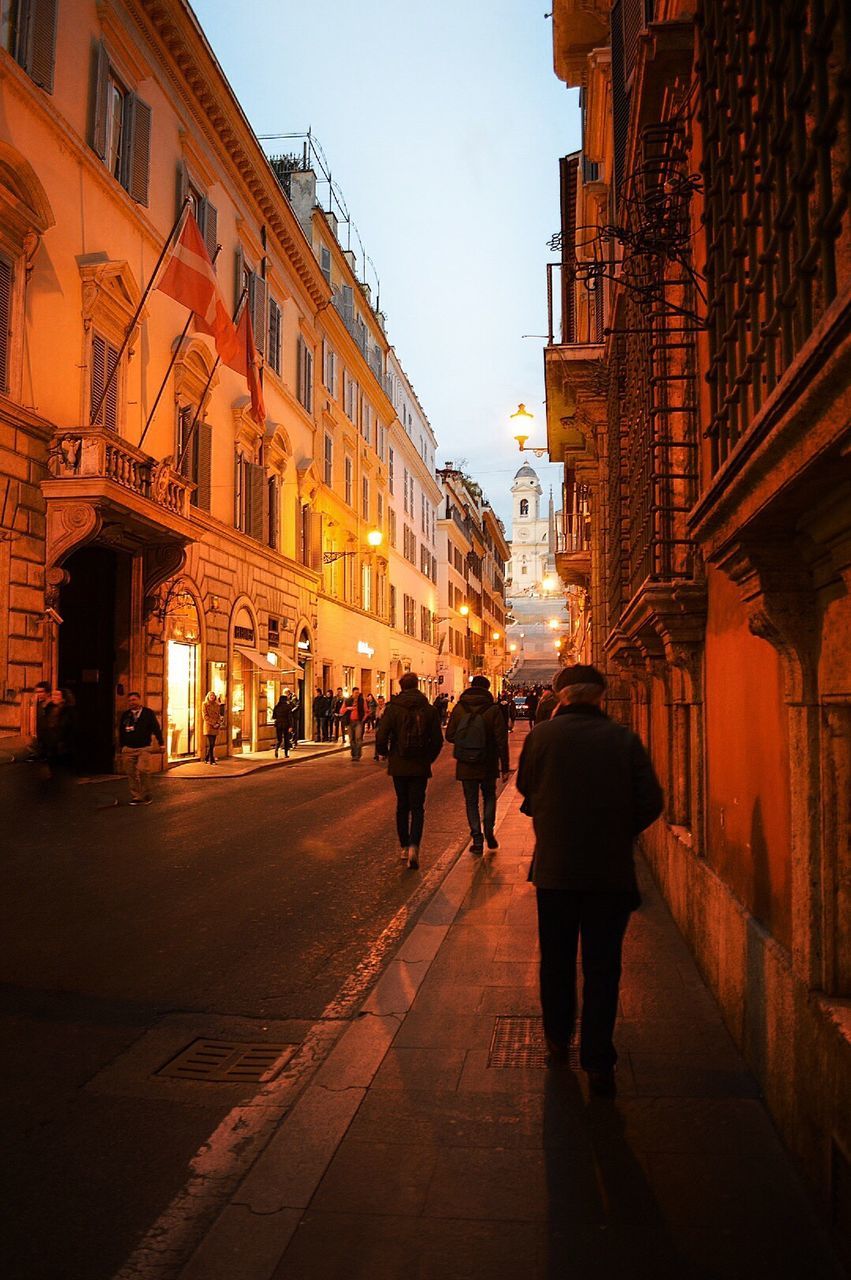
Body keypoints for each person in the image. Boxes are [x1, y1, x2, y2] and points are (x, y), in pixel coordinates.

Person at [516, 664, 664, 1096]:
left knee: (557, 961)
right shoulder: (622, 739)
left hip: (556, 871)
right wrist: (620, 831)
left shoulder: (541, 737)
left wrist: (552, 816)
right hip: (609, 873)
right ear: (600, 696)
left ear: (562, 697)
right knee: (603, 967)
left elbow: (527, 786)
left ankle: (557, 1040)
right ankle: (599, 1060)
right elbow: (650, 801)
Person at [375, 672, 443, 869]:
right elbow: (438, 740)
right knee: (417, 807)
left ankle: (404, 846)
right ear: (417, 686)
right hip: (420, 765)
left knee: (402, 806)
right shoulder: (428, 709)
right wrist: (428, 758)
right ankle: (415, 845)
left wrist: (385, 753)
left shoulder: (393, 708)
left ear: (402, 686)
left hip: (399, 763)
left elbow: (381, 736)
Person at [445, 675, 509, 855]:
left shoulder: (459, 708)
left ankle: (477, 838)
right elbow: (502, 740)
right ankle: (489, 830)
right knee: (489, 796)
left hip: (466, 762)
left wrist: (465, 739)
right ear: (487, 689)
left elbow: (449, 735)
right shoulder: (493, 709)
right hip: (488, 761)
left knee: (471, 801)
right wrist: (504, 767)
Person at [118, 691, 163, 805]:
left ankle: (146, 795)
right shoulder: (126, 715)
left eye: (133, 700)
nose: (131, 702)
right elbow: (121, 731)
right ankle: (136, 796)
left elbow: (156, 728)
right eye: (129, 700)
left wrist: (161, 743)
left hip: (144, 748)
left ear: (139, 700)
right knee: (131, 773)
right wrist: (121, 747)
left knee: (143, 770)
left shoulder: (148, 713)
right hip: (128, 749)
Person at [345, 687, 366, 760]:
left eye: (358, 693)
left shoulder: (362, 701)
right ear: (352, 693)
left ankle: (358, 755)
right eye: (356, 693)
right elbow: (342, 710)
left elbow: (366, 710)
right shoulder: (348, 700)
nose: (357, 694)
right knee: (351, 739)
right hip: (349, 722)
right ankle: (353, 754)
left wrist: (363, 719)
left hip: (358, 722)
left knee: (358, 738)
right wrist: (347, 708)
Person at [202, 692, 222, 764]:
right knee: (211, 744)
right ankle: (212, 760)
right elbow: (205, 716)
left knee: (213, 744)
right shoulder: (204, 704)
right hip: (209, 726)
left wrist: (218, 723)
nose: (212, 697)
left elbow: (219, 715)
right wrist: (213, 723)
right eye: (211, 695)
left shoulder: (217, 705)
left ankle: (207, 758)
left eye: (213, 695)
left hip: (216, 727)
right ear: (208, 696)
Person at [272, 692, 293, 758]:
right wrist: (291, 726)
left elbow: (274, 716)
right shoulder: (288, 707)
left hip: (278, 724)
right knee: (286, 739)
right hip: (286, 724)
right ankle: (286, 754)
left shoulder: (276, 707)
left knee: (279, 739)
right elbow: (290, 717)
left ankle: (276, 749)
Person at [372, 694, 387, 760]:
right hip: (378, 725)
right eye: (379, 702)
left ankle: (384, 754)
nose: (380, 703)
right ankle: (377, 754)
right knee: (377, 740)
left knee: (384, 740)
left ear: (384, 701)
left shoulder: (386, 708)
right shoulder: (377, 708)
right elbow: (376, 717)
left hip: (385, 726)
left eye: (381, 702)